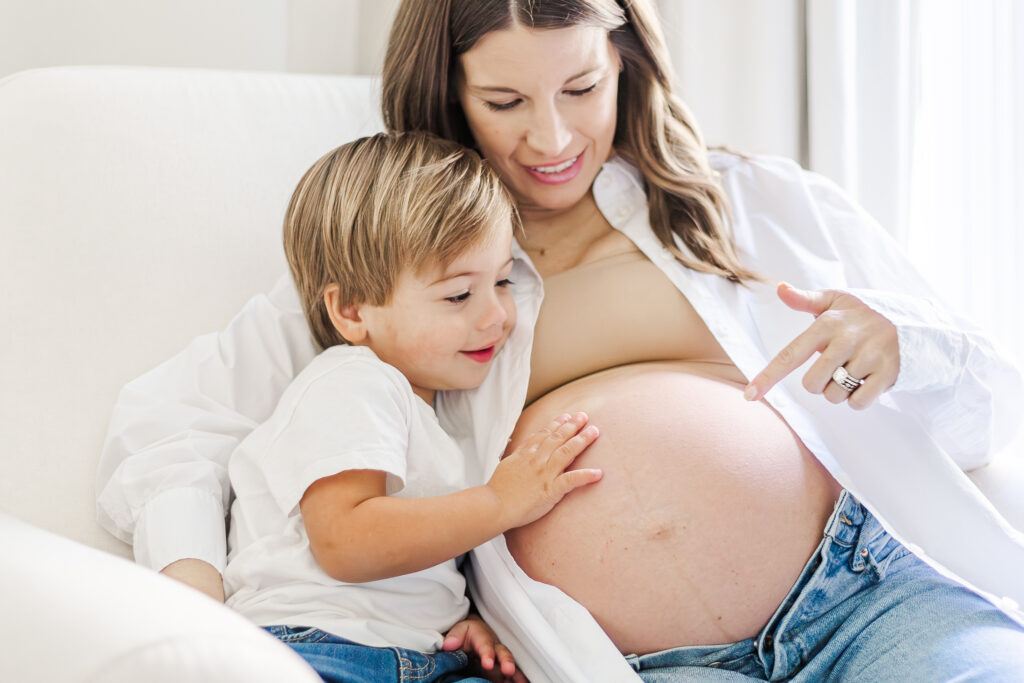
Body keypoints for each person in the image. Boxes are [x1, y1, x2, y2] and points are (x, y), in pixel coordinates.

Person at [97, 0, 1024, 680]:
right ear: (451, 92)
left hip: (869, 594)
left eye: (581, 86)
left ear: (624, 60)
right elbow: (171, 425)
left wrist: (907, 347)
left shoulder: (754, 201)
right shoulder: (395, 273)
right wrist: (198, 615)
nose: (551, 137)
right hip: (629, 660)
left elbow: (988, 420)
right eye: (504, 100)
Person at [223, 131, 601, 683]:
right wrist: (500, 501)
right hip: (318, 648)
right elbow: (346, 544)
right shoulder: (353, 381)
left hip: (414, 656)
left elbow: (408, 559)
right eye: (457, 295)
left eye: (502, 281)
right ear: (353, 310)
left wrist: (453, 617)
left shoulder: (433, 412)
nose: (496, 315)